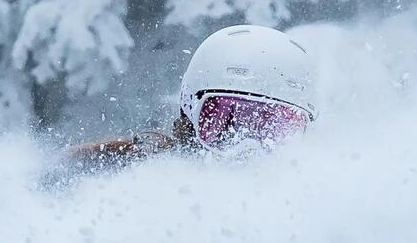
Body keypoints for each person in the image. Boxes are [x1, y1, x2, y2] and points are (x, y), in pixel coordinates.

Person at [66, 24, 317, 171]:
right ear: (190, 111)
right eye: (226, 122)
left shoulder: (314, 211)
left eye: (276, 130)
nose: (246, 148)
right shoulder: (136, 169)